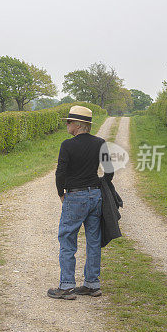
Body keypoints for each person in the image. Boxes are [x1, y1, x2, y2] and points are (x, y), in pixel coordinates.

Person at [47, 105, 113, 300]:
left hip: (74, 196)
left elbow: (61, 173)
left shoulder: (67, 145)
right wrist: (99, 186)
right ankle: (92, 285)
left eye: (68, 122)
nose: (66, 125)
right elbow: (109, 171)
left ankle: (67, 286)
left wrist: (61, 193)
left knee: (68, 239)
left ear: (77, 125)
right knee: (93, 240)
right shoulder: (100, 143)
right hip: (95, 196)